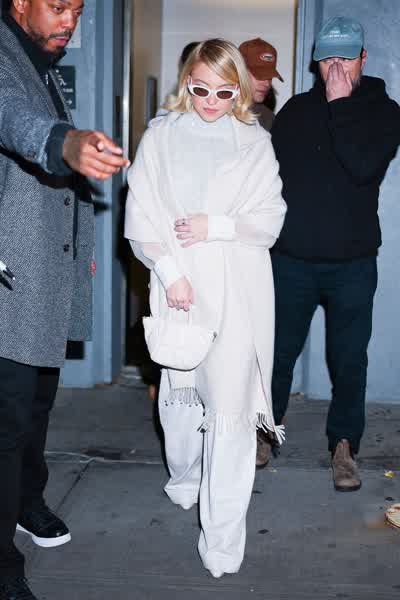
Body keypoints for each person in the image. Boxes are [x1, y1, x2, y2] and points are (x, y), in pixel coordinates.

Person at [125, 38, 286, 578]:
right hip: (180, 287)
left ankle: (222, 540)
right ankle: (185, 476)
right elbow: (141, 214)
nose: (211, 101)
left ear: (239, 89)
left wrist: (214, 226)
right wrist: (170, 273)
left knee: (230, 413)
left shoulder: (254, 142)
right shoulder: (162, 136)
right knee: (181, 405)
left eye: (224, 91)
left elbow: (269, 221)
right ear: (185, 83)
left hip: (239, 291)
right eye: (200, 89)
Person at [0, 1, 129, 599]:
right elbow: (12, 118)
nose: (70, 19)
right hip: (10, 277)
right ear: (19, 2)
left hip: (44, 270)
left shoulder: (40, 59)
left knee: (38, 403)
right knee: (7, 421)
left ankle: (28, 501)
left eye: (76, 8)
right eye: (57, 6)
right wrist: (64, 142)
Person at [269, 17, 400, 487]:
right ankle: (265, 430)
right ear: (315, 62)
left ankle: (344, 446)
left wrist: (341, 105)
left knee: (349, 359)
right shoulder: (295, 110)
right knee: (275, 353)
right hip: (291, 259)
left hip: (352, 262)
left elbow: (363, 168)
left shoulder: (385, 112)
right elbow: (270, 180)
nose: (337, 68)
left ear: (364, 58)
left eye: (346, 58)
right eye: (328, 60)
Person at [239, 37, 283, 132]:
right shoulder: (218, 109)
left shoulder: (268, 118)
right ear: (239, 72)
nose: (266, 83)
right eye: (259, 75)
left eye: (270, 76)